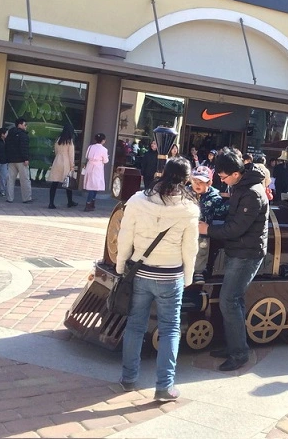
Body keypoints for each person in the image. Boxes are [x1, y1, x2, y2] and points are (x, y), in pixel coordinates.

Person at [117, 157, 200, 401]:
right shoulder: (189, 210)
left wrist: (122, 265)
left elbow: (125, 236)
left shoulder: (137, 201)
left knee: (135, 326)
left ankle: (128, 378)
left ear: (163, 172)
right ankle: (164, 386)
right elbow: (190, 248)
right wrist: (188, 277)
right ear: (186, 179)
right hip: (171, 275)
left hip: (141, 272)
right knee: (170, 330)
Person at [201, 148, 268, 371]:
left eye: (222, 177)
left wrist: (208, 228)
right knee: (233, 300)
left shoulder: (252, 192)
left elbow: (236, 228)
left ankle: (239, 353)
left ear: (236, 173)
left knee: (229, 301)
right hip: (239, 251)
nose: (221, 181)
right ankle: (233, 345)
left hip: (246, 253)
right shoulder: (242, 186)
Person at [188, 166, 229, 284]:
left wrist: (231, 204)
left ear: (209, 183)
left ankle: (198, 272)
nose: (197, 184)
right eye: (195, 181)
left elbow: (221, 211)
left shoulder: (214, 197)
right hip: (187, 228)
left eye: (201, 182)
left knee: (202, 250)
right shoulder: (186, 193)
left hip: (202, 230)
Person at [46, 124, 78, 209]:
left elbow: (56, 151)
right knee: (68, 183)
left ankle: (51, 203)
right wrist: (72, 166)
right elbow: (71, 155)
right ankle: (70, 201)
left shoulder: (58, 140)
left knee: (54, 183)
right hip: (66, 162)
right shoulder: (69, 141)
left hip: (57, 161)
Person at [5, 118, 32, 204]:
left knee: (10, 180)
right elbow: (24, 148)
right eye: (25, 124)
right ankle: (26, 198)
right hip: (21, 160)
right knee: (25, 180)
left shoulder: (9, 134)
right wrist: (26, 159)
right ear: (20, 125)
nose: (26, 126)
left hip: (11, 160)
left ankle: (9, 198)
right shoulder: (23, 135)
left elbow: (7, 147)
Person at [83, 133, 109, 212]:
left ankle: (91, 202)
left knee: (91, 184)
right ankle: (89, 203)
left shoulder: (90, 147)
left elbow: (87, 156)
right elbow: (106, 160)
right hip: (98, 167)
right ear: (103, 140)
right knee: (95, 185)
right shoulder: (104, 149)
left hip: (90, 166)